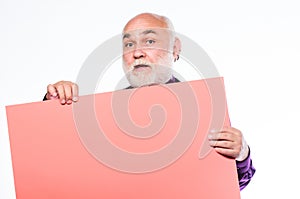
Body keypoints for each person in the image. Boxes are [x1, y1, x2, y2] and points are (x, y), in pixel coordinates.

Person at [43, 13, 255, 190]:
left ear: (175, 48)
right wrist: (53, 109)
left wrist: (241, 154)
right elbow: (64, 173)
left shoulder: (203, 110)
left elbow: (228, 186)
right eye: (128, 44)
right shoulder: (101, 116)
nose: (137, 53)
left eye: (150, 41)